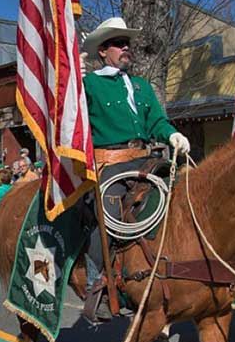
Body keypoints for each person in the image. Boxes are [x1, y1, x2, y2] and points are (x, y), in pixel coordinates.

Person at [79, 17, 190, 319]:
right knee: (107, 213)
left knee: (184, 195)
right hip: (110, 163)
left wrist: (172, 134)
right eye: (118, 43)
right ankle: (96, 285)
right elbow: (68, 117)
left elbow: (156, 120)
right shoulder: (89, 84)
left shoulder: (141, 86)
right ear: (103, 51)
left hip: (145, 158)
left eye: (126, 42)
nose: (125, 47)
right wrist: (69, 82)